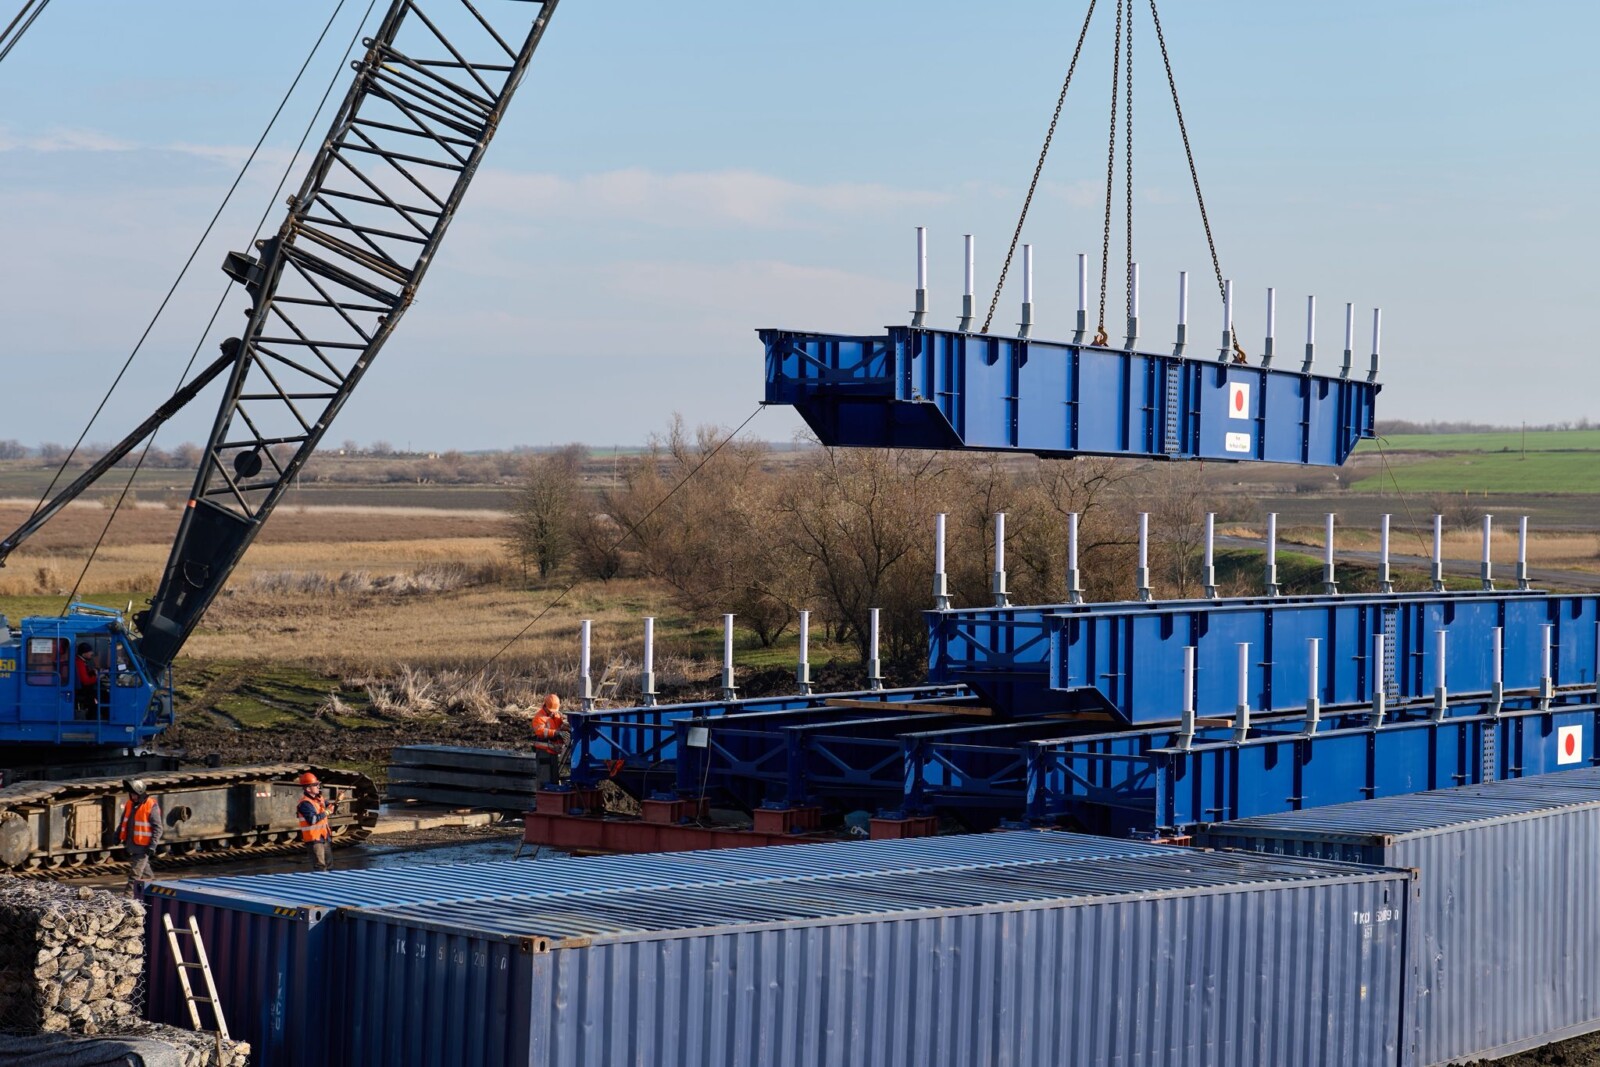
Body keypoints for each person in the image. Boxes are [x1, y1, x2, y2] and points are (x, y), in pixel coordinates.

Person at [116, 779, 162, 896]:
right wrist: (117, 835)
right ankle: (153, 893)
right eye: (131, 794)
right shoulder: (129, 804)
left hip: (143, 847)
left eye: (135, 794)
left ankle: (127, 898)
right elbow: (123, 822)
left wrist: (153, 845)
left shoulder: (151, 805)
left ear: (141, 793)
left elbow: (158, 828)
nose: (133, 797)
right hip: (132, 845)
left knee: (135, 874)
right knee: (146, 875)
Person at [295, 772, 336, 872]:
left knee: (329, 866)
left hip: (324, 837)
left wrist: (337, 801)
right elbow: (312, 819)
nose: (318, 786)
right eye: (315, 785)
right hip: (314, 840)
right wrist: (327, 812)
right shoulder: (305, 803)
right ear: (308, 789)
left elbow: (331, 808)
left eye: (318, 784)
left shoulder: (319, 799)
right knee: (320, 867)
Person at [529, 693, 570, 786]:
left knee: (554, 780)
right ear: (545, 706)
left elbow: (561, 725)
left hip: (554, 752)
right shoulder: (538, 717)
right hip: (544, 752)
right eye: (551, 710)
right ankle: (543, 798)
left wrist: (566, 727)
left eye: (554, 710)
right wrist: (556, 733)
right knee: (544, 780)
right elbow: (540, 731)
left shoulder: (557, 715)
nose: (552, 712)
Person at [74, 643, 99, 717]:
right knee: (103, 695)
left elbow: (84, 675)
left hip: (84, 689)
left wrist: (92, 672)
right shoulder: (79, 663)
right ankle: (93, 718)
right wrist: (97, 678)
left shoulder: (81, 661)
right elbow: (85, 681)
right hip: (83, 690)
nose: (92, 653)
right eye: (90, 651)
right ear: (84, 653)